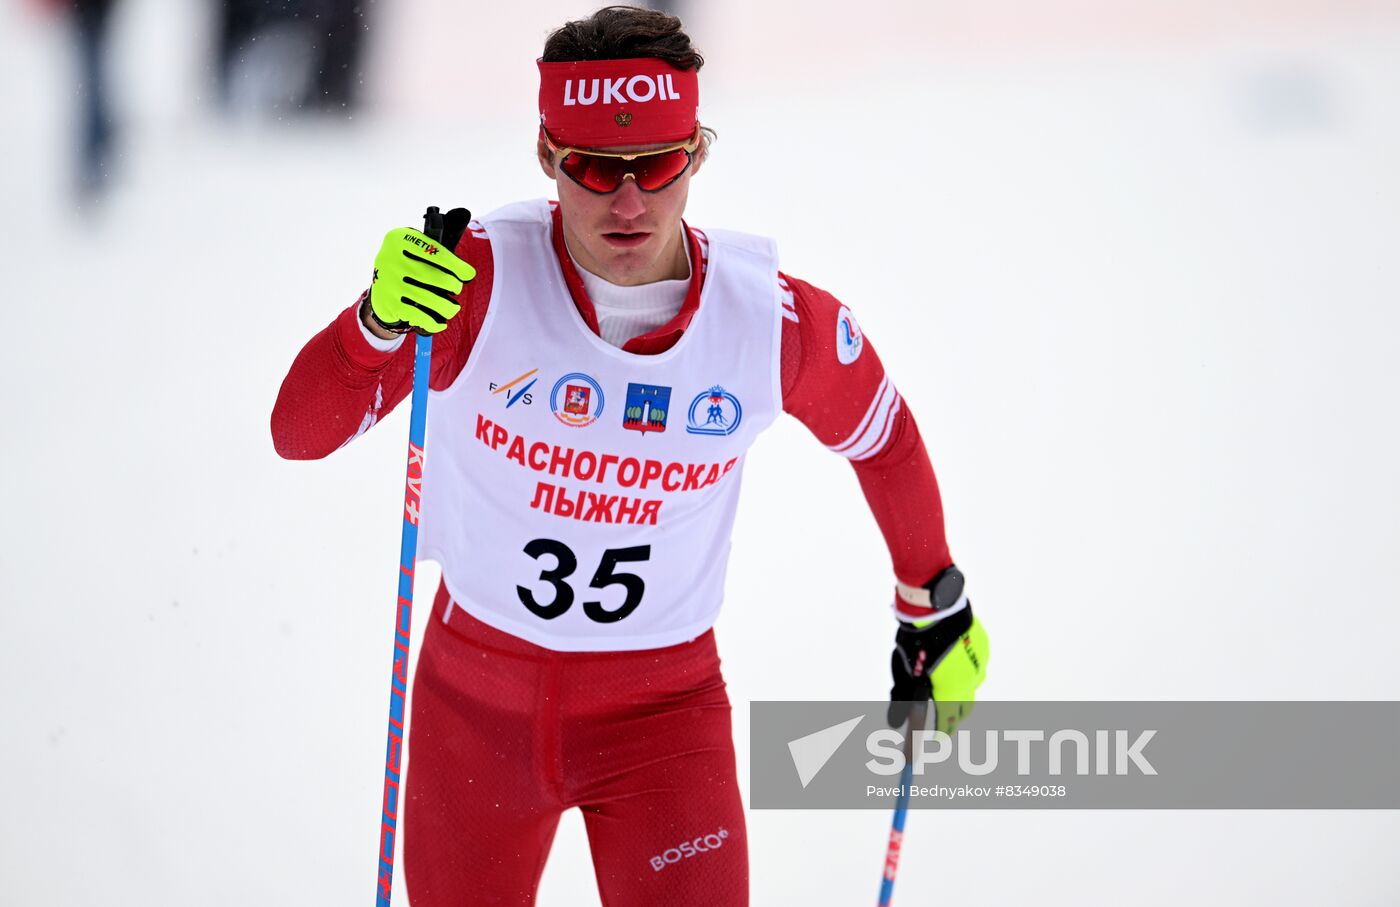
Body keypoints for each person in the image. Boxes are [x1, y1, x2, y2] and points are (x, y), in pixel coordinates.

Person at [271, 6, 988, 904]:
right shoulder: (475, 284)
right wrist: (374, 325)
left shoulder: (771, 321)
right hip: (474, 708)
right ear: (545, 156)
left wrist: (933, 601)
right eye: (593, 168)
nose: (628, 201)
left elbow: (883, 437)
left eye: (656, 165)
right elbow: (299, 433)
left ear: (695, 154)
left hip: (663, 718)